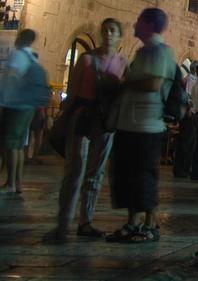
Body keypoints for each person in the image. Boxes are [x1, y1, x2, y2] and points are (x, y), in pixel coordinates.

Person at [46, 19, 128, 242]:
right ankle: (63, 223)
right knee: (75, 170)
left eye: (113, 31)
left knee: (95, 172)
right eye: (105, 31)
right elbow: (72, 93)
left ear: (120, 36)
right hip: (82, 117)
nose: (108, 34)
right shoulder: (86, 59)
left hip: (105, 121)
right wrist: (63, 119)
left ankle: (86, 222)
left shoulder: (122, 62)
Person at [106, 8, 177, 243]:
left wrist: (124, 83)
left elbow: (154, 83)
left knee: (145, 176)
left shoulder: (160, 51)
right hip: (131, 125)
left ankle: (150, 226)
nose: (134, 23)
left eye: (138, 20)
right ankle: (132, 223)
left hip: (148, 127)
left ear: (147, 24)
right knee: (128, 176)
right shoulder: (144, 51)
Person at [0, 29, 47, 195]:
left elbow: (12, 77)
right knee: (19, 145)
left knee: (10, 144)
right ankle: (18, 183)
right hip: (28, 107)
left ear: (20, 38)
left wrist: (3, 98)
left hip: (15, 105)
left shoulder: (17, 55)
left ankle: (10, 183)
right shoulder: (31, 56)